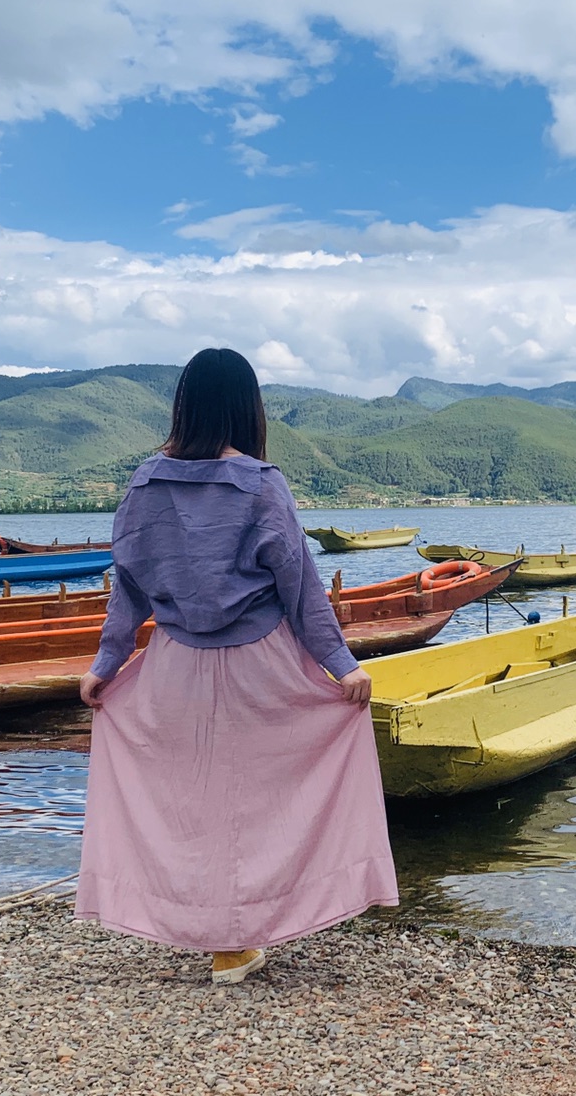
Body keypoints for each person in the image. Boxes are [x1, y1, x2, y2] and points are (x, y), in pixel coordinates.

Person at [73, 348, 398, 984]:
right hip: (261, 663)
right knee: (269, 797)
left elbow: (129, 585)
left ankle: (211, 934)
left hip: (173, 663)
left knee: (184, 799)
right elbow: (300, 586)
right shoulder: (259, 482)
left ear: (185, 403)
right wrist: (340, 664)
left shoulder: (145, 482)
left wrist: (107, 663)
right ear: (247, 407)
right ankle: (244, 932)